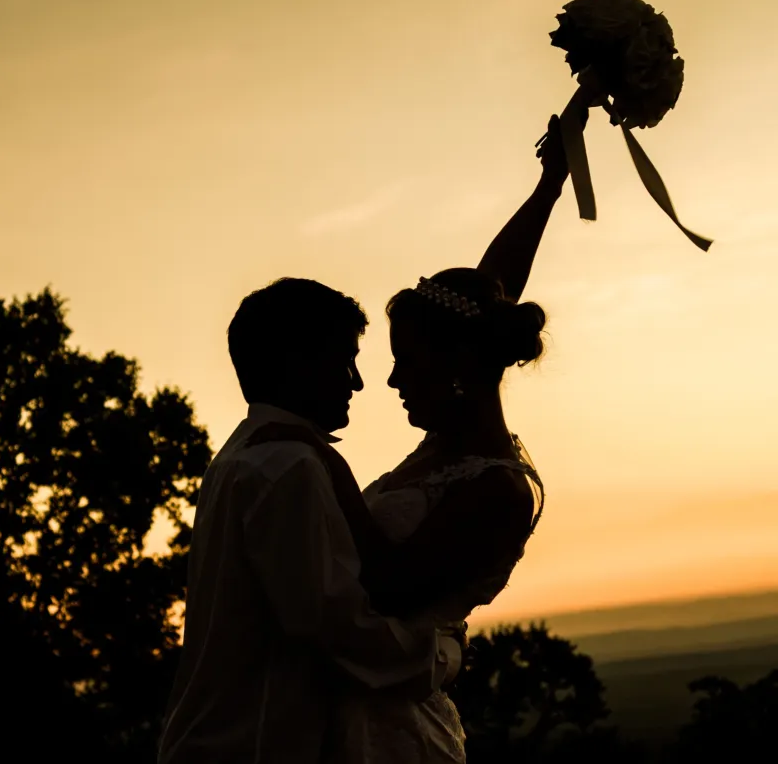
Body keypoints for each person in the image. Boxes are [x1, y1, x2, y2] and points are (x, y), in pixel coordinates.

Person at [247, 115, 577, 763]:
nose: (391, 379)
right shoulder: (448, 447)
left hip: (390, 736)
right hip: (335, 714)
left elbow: (386, 586)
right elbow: (492, 285)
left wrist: (320, 459)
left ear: (456, 367)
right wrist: (548, 189)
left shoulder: (498, 490)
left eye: (407, 360)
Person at [157, 278, 464, 764]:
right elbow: (332, 626)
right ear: (295, 362)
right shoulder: (289, 466)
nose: (357, 381)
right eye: (344, 359)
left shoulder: (240, 455)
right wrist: (443, 656)